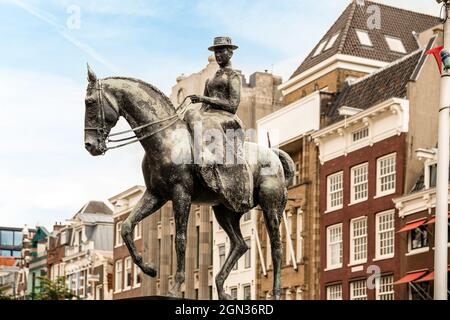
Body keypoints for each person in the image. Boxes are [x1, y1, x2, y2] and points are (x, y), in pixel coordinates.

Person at [185, 36, 252, 212]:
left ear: (230, 52)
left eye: (222, 51)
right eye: (216, 52)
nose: (219, 55)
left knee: (197, 118)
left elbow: (233, 104)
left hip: (227, 118)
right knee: (190, 114)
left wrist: (203, 98)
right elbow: (204, 108)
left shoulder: (234, 76)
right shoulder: (211, 79)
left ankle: (205, 160)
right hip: (209, 117)